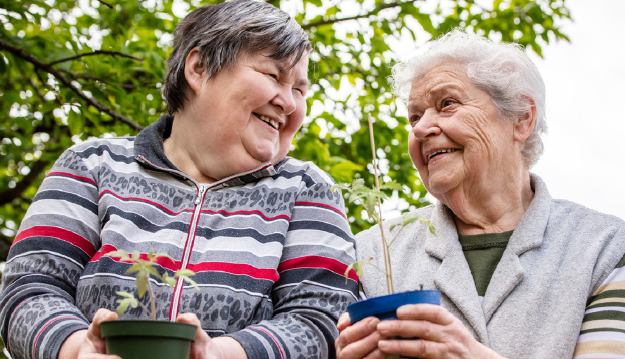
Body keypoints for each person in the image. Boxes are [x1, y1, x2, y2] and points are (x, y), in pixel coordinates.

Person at [0, 2, 359, 359]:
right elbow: (30, 288)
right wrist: (78, 350)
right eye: (273, 76)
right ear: (199, 68)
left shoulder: (307, 190)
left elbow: (324, 318)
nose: (289, 103)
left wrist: (218, 354)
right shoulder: (92, 165)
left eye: (300, 89)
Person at [335, 30, 625, 359]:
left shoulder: (605, 249)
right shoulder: (371, 252)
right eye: (414, 117)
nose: (418, 128)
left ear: (521, 118)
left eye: (447, 104)